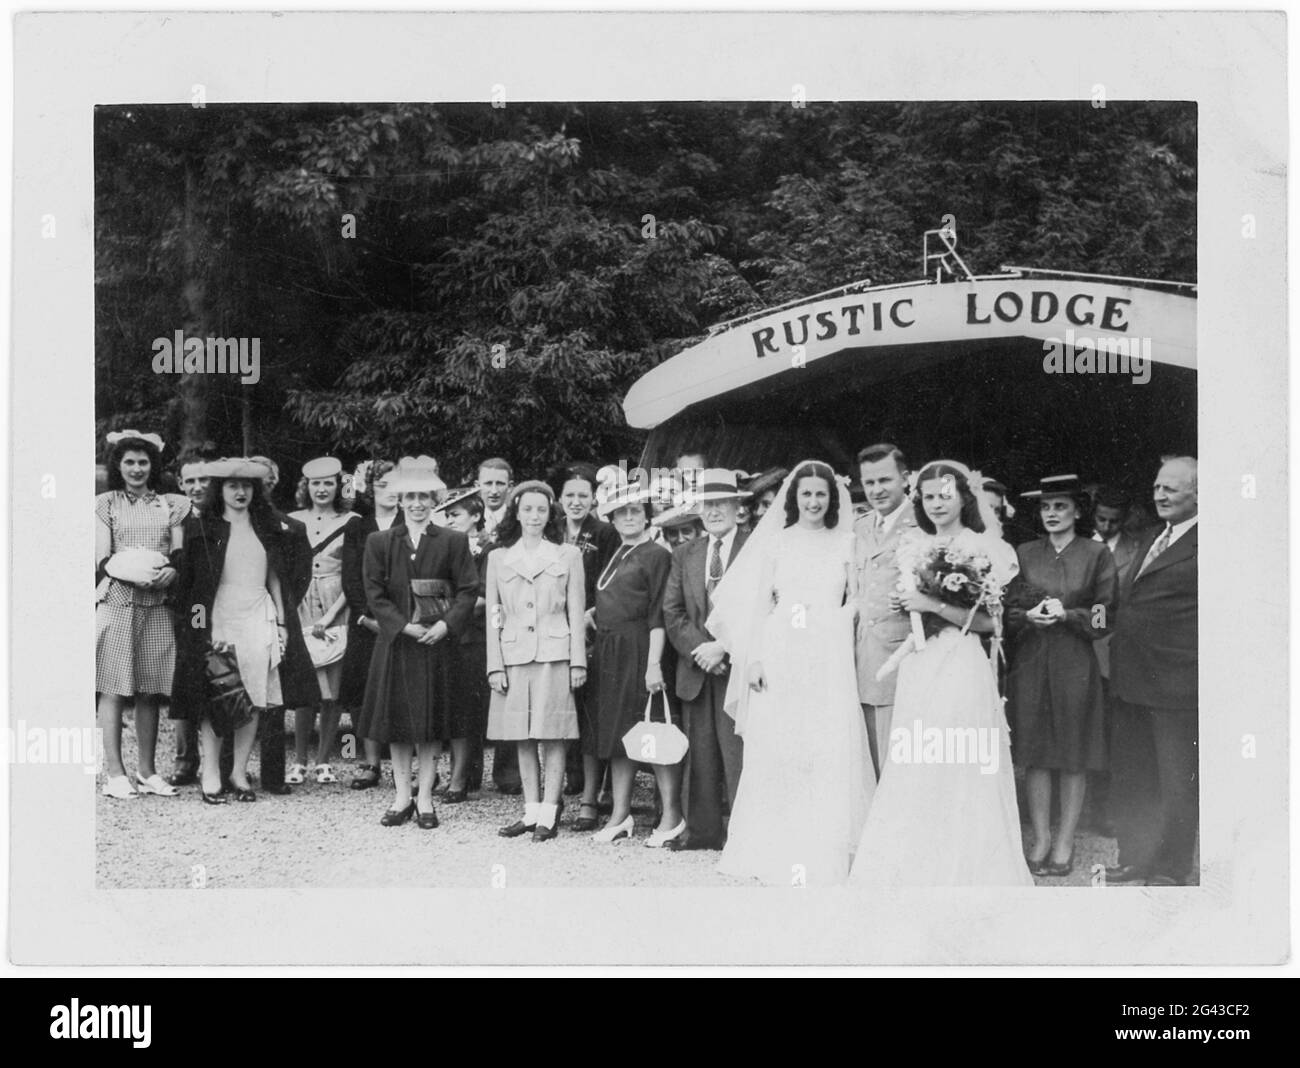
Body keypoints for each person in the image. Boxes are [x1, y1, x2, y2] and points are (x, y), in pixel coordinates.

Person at [849, 460, 1033, 887]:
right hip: (920, 662)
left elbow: (992, 623)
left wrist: (932, 606)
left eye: (945, 495)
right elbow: (908, 597)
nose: (936, 504)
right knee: (917, 757)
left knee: (960, 757)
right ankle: (919, 865)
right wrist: (907, 604)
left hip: (961, 661)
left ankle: (965, 865)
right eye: (928, 497)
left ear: (963, 498)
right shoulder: (914, 544)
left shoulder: (981, 546)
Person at [706, 461, 873, 884]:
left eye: (820, 494)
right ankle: (774, 846)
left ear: (831, 498)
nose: (814, 502)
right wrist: (756, 658)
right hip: (782, 650)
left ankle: (824, 846)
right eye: (806, 494)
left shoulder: (846, 542)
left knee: (824, 743)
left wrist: (831, 622)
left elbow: (856, 598)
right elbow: (759, 605)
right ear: (793, 499)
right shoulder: (777, 544)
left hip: (828, 654)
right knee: (782, 745)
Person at [170, 458, 320, 803]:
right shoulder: (201, 529)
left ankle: (238, 773)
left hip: (258, 616)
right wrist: (200, 631)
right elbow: (191, 589)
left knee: (254, 697)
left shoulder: (266, 527)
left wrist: (282, 622)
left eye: (247, 486)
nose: (241, 492)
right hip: (218, 617)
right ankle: (211, 774)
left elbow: (275, 579)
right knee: (215, 699)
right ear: (219, 490)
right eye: (232, 486)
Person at [357, 456, 479, 828]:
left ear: (434, 499)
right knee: (397, 724)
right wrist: (402, 627)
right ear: (400, 499)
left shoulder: (453, 540)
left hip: (436, 645)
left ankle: (425, 798)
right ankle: (401, 796)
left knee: (429, 725)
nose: (417, 503)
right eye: (410, 496)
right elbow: (374, 594)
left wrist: (445, 625)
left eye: (424, 496)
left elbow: (468, 590)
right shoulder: (380, 541)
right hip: (398, 644)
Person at [1007, 474, 1118, 878]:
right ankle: (1039, 837)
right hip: (1033, 660)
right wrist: (1027, 617)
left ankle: (1066, 840)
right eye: (1045, 507)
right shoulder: (1024, 553)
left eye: (1060, 506)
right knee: (1035, 752)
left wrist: (1069, 615)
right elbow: (1004, 608)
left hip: (1074, 662)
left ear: (1077, 510)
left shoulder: (1096, 554)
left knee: (1073, 752)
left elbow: (1106, 614)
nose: (1051, 514)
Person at [1106, 456, 1199, 887]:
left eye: (1172, 489)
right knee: (1136, 776)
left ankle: (1171, 867)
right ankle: (1137, 857)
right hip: (1132, 680)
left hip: (1176, 683)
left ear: (1198, 494)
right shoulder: (1151, 537)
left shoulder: (1210, 542)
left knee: (1177, 780)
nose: (1160, 495)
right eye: (1158, 487)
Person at [485, 482, 587, 840]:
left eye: (541, 510)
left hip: (554, 654)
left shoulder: (567, 556)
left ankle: (549, 813)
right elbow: (494, 615)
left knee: (553, 734)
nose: (534, 516)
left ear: (550, 514)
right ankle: (530, 811)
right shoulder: (498, 557)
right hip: (513, 654)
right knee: (521, 736)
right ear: (516, 512)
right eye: (527, 509)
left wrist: (578, 662)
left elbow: (576, 611)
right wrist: (494, 663)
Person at [95, 430, 189, 798]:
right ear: (118, 465)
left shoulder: (170, 504)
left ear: (153, 465)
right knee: (115, 685)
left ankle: (147, 770)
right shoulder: (106, 504)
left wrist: (171, 571)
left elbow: (179, 551)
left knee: (150, 687)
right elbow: (102, 558)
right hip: (119, 599)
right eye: (129, 461)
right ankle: (114, 773)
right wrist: (134, 571)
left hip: (158, 603)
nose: (136, 468)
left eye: (143, 462)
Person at [661, 469, 751, 851]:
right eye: (707, 504)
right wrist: (702, 651)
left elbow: (760, 609)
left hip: (738, 666)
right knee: (700, 753)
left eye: (721, 504)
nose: (714, 511)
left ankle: (746, 834)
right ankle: (702, 832)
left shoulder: (756, 548)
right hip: (697, 666)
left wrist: (725, 649)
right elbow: (672, 610)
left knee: (739, 753)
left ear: (737, 508)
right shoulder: (686, 553)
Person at [588, 483, 682, 845]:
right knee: (618, 734)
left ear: (646, 515)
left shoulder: (656, 554)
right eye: (621, 512)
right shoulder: (618, 550)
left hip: (642, 649)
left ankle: (672, 817)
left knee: (652, 731)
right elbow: (616, 596)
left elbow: (657, 612)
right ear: (611, 517)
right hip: (610, 652)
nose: (628, 517)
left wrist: (654, 664)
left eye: (635, 511)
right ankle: (620, 814)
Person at [552, 463, 620, 815]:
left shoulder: (605, 532)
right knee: (564, 701)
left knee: (593, 704)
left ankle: (600, 786)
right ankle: (572, 775)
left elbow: (609, 578)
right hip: (555, 627)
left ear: (593, 498)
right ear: (560, 499)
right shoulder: (552, 531)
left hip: (592, 626)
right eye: (569, 496)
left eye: (583, 495)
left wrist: (589, 614)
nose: (576, 502)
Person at [287, 457, 359, 785]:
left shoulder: (352, 521)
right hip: (300, 604)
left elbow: (354, 575)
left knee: (333, 688)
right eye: (315, 483)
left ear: (339, 486)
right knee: (306, 686)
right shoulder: (291, 520)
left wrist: (332, 616)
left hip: (336, 604)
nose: (322, 489)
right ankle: (299, 761)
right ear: (306, 487)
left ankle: (325, 760)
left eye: (328, 483)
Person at [852, 443, 919, 778]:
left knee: (901, 767)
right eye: (869, 482)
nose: (876, 490)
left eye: (885, 480)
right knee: (871, 766)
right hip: (862, 660)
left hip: (903, 660)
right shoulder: (860, 527)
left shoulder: (923, 524)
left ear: (905, 478)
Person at [1085, 485, 1144, 833]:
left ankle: (1105, 809)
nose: (1106, 526)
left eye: (1114, 521)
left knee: (1111, 733)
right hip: (1086, 646)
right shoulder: (1080, 547)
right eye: (1101, 519)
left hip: (1117, 651)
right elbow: (1093, 601)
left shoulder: (1136, 550)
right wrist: (1094, 626)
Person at [340, 460, 401, 791]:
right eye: (382, 485)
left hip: (404, 621)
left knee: (404, 690)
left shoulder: (413, 521)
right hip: (366, 622)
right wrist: (366, 617)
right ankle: (368, 761)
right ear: (370, 488)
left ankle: (405, 767)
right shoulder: (357, 526)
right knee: (363, 691)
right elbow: (350, 576)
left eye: (395, 485)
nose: (390, 492)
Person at [436, 486, 490, 800]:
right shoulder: (447, 545)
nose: (451, 521)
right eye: (447, 516)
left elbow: (483, 597)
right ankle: (458, 775)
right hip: (448, 634)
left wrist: (448, 610)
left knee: (469, 709)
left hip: (473, 635)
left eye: (455, 515)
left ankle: (462, 778)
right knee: (451, 708)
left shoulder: (487, 548)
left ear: (476, 516)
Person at [166, 454, 214, 787]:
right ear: (181, 485)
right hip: (182, 610)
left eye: (203, 480)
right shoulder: (173, 519)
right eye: (190, 481)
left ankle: (218, 762)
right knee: (183, 683)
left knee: (216, 682)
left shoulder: (222, 520)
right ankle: (185, 760)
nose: (197, 487)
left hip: (215, 609)